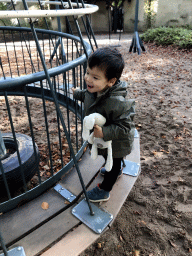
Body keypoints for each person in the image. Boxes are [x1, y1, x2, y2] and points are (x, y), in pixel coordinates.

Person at [72, 47, 135, 202]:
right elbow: (87, 96)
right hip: (107, 140)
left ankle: (105, 190)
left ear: (111, 81)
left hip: (118, 142)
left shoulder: (116, 102)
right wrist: (76, 93)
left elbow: (125, 127)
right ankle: (117, 167)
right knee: (111, 160)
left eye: (95, 77)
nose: (88, 79)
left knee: (113, 164)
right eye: (87, 73)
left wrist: (105, 132)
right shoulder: (95, 89)